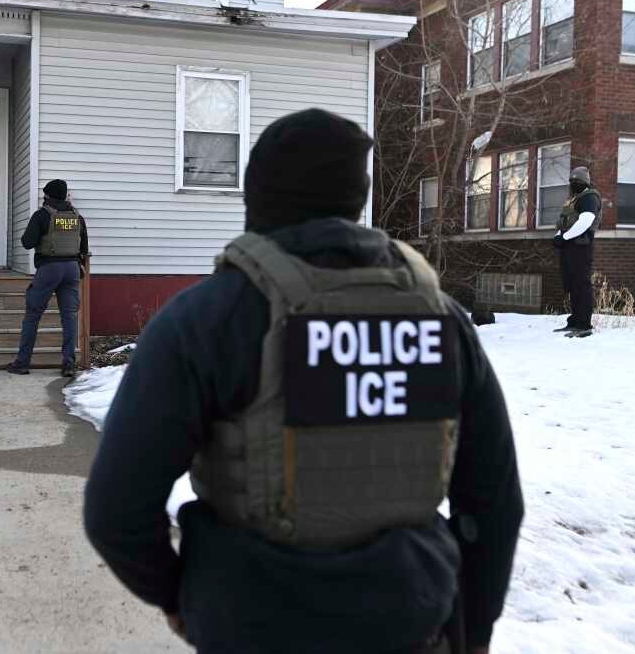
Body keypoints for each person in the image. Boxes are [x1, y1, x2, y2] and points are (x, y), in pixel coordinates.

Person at [83, 109, 524, 654]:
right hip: (411, 624)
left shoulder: (204, 319)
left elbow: (116, 510)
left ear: (257, 196)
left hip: (252, 628)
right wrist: (473, 633)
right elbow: (494, 501)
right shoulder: (441, 318)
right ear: (356, 196)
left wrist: (180, 597)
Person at [7, 179, 88, 378]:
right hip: (72, 269)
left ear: (48, 196)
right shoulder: (77, 217)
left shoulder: (42, 215)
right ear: (65, 195)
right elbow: (83, 248)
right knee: (69, 317)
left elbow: (27, 242)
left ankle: (22, 363)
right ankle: (68, 364)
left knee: (33, 315)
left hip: (49, 268)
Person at [553, 166, 601, 338]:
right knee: (572, 284)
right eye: (572, 181)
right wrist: (558, 236)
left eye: (577, 181)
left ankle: (584, 325)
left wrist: (565, 237)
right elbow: (564, 222)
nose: (574, 184)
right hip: (569, 246)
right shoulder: (573, 200)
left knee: (581, 285)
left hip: (581, 246)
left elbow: (585, 221)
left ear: (585, 182)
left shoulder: (589, 198)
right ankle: (574, 321)